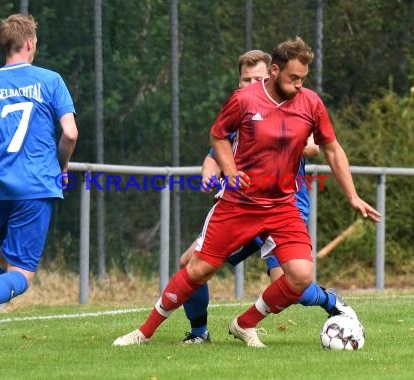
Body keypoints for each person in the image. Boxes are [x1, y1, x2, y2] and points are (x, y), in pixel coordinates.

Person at [113, 36, 380, 348]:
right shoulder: (245, 101)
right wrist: (227, 170)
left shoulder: (310, 103)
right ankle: (145, 332)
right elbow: (217, 137)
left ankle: (245, 323)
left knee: (300, 276)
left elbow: (331, 149)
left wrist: (353, 195)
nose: (298, 85)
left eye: (303, 79)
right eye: (293, 78)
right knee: (196, 268)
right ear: (276, 72)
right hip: (240, 205)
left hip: (283, 206)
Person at [179, 51, 356, 345]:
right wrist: (208, 174)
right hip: (242, 207)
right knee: (190, 265)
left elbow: (315, 146)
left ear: (272, 75)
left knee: (288, 284)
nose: (252, 83)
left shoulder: (293, 104)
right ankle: (199, 333)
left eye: (258, 78)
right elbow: (212, 155)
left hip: (284, 207)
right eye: (246, 79)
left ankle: (329, 301)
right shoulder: (241, 110)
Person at [0, 13, 78, 351]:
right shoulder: (50, 80)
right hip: (35, 184)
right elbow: (69, 132)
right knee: (22, 273)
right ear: (29, 43)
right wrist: (60, 165)